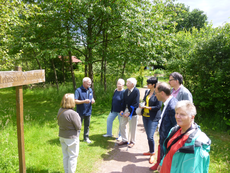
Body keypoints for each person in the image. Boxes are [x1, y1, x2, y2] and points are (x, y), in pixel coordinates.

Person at [157, 100, 211, 173]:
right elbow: (168, 151)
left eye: (182, 114)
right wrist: (162, 163)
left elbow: (192, 170)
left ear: (192, 117)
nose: (177, 116)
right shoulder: (175, 130)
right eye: (176, 113)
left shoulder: (195, 143)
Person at [150, 82, 178, 171]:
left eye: (156, 93)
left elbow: (176, 128)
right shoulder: (167, 103)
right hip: (164, 140)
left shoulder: (172, 107)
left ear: (162, 93)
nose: (155, 95)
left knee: (166, 167)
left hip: (168, 143)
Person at [57, 93, 81, 173]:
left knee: (66, 155)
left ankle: (66, 171)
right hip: (71, 138)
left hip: (62, 136)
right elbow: (78, 127)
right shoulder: (73, 113)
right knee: (73, 156)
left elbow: (58, 123)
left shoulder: (60, 110)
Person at [140, 77, 162, 164]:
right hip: (145, 116)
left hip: (153, 117)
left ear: (153, 85)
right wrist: (142, 104)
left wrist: (147, 107)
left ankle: (152, 153)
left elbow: (158, 107)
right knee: (148, 135)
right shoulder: (147, 91)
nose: (147, 85)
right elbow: (144, 100)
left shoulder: (158, 93)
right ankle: (150, 151)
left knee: (150, 136)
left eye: (148, 84)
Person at [118, 78, 140, 148]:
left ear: (132, 84)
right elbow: (123, 101)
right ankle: (124, 140)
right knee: (122, 124)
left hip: (133, 112)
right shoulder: (126, 91)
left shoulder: (136, 91)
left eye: (128, 83)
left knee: (132, 127)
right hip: (125, 110)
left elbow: (136, 104)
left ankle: (132, 141)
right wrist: (122, 110)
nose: (126, 84)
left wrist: (129, 112)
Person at [75, 77, 95, 143]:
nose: (90, 84)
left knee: (87, 126)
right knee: (78, 126)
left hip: (88, 111)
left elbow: (91, 97)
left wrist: (92, 100)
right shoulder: (78, 90)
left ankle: (86, 138)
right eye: (88, 82)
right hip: (80, 111)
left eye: (90, 82)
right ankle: (76, 139)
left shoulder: (90, 90)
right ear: (84, 82)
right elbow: (75, 101)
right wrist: (83, 101)